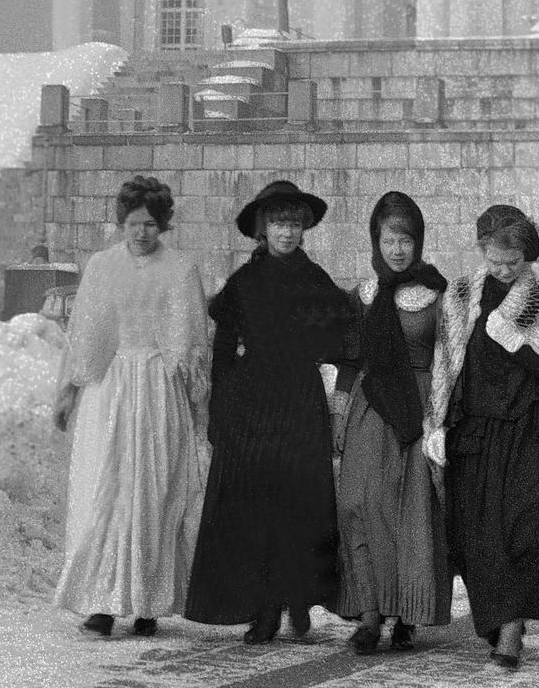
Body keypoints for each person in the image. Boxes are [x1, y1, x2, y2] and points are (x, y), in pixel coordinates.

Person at [185, 177, 357, 644]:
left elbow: (340, 337)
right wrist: (220, 413)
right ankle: (264, 606)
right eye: (279, 223)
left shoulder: (315, 280)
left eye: (295, 223)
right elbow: (222, 352)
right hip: (253, 405)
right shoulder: (243, 284)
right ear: (262, 229)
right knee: (256, 507)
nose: (288, 232)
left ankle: (298, 599)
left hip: (300, 403)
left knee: (300, 503)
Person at [426, 203, 539, 671]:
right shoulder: (459, 296)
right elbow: (446, 364)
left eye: (512, 260)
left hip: (531, 433)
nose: (502, 268)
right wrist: (436, 422)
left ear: (528, 255)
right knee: (481, 535)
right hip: (475, 432)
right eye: (494, 258)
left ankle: (512, 629)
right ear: (481, 250)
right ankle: (498, 618)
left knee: (525, 528)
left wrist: (517, 342)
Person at [52, 175, 209, 638]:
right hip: (111, 388)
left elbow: (192, 341)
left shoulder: (180, 269)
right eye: (135, 224)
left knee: (156, 491)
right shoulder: (101, 267)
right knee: (106, 487)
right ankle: (101, 601)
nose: (142, 233)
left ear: (163, 226)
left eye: (151, 225)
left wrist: (201, 405)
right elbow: (84, 336)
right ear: (121, 223)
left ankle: (148, 603)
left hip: (160, 388)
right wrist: (69, 392)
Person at [333, 190, 451, 653]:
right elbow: (346, 360)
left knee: (411, 513)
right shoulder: (362, 296)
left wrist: (441, 418)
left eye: (405, 239)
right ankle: (368, 612)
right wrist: (339, 413)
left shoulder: (438, 295)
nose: (397, 249)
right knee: (359, 505)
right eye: (388, 239)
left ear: (418, 242)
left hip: (420, 410)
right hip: (370, 408)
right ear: (375, 241)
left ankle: (406, 612)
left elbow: (448, 360)